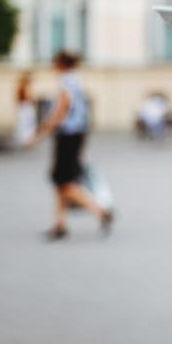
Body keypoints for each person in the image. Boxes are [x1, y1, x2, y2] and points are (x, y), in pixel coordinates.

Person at [27, 50, 113, 240]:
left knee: (63, 181)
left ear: (60, 64)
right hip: (75, 135)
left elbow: (60, 111)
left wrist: (39, 133)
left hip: (68, 136)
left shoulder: (67, 82)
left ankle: (101, 211)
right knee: (61, 182)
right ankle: (59, 224)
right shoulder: (76, 80)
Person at [13, 72, 37, 148]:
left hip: (23, 107)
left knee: (24, 124)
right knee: (27, 124)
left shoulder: (20, 87)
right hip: (26, 107)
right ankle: (27, 140)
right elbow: (28, 98)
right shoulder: (24, 87)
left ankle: (26, 140)